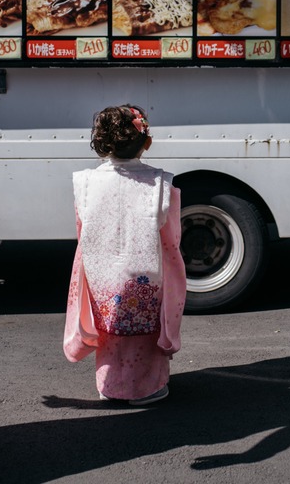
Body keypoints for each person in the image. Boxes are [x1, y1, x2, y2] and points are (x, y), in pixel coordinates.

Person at [63, 104, 185, 405]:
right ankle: (147, 388)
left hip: (101, 272)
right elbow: (170, 240)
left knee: (109, 329)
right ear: (147, 143)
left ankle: (109, 386)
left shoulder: (85, 182)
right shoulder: (160, 183)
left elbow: (83, 233)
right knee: (144, 332)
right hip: (145, 271)